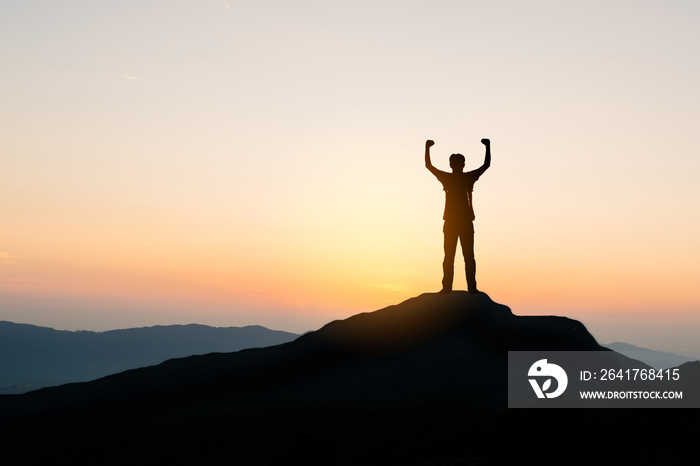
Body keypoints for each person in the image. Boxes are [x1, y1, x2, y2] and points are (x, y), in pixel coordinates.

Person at [425, 138, 491, 293]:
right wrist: (488, 146)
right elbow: (486, 165)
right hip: (457, 223)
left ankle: (454, 288)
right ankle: (461, 288)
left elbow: (428, 166)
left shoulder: (453, 178)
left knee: (455, 257)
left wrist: (427, 148)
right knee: (462, 257)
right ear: (463, 164)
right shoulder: (464, 178)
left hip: (459, 223)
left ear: (451, 165)